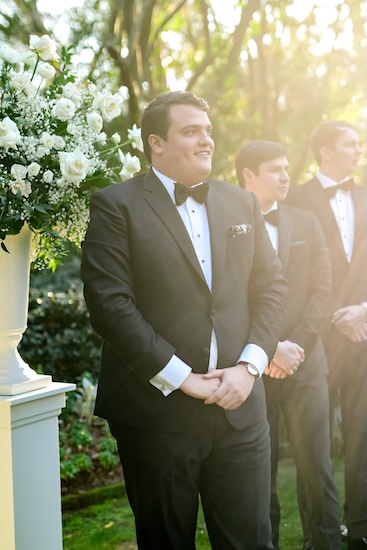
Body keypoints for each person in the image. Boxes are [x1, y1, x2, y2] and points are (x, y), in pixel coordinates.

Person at [81, 91, 287, 550]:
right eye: (191, 131)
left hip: (241, 410)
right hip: (155, 417)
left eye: (207, 131)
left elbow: (271, 290)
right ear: (156, 142)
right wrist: (183, 379)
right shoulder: (115, 206)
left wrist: (249, 367)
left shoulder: (243, 204)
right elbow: (110, 305)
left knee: (252, 542)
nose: (205, 140)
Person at [235, 140, 341, 550]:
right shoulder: (227, 224)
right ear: (248, 175)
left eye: (286, 169)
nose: (286, 176)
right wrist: (268, 348)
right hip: (252, 367)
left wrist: (293, 345)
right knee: (258, 471)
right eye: (276, 169)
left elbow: (323, 291)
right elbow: (227, 296)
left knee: (318, 466)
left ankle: (326, 544)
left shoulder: (306, 221)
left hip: (306, 364)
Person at [286, 120, 367, 550]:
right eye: (350, 144)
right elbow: (294, 271)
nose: (359, 151)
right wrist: (336, 312)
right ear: (325, 151)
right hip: (316, 339)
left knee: (364, 438)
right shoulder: (295, 200)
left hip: (365, 335)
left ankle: (362, 528)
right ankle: (321, 535)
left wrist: (363, 311)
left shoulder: (366, 195)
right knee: (312, 447)